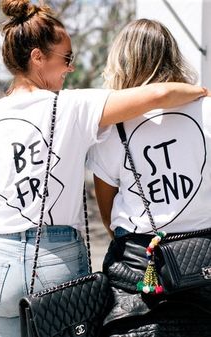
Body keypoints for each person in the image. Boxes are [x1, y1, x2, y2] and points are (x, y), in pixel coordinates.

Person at [0, 1, 208, 336]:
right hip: (58, 259)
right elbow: (158, 93)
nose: (70, 69)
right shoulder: (73, 106)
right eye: (67, 58)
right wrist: (202, 93)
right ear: (38, 57)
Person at [87, 18, 211, 336]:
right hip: (205, 261)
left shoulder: (112, 126)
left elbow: (107, 210)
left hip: (138, 266)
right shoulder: (207, 109)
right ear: (173, 55)